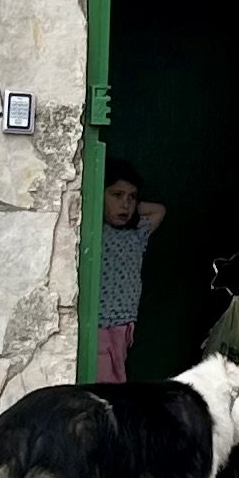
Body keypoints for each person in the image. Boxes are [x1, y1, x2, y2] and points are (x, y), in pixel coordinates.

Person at [96, 160, 167, 383]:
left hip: (124, 324)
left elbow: (159, 210)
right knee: (104, 381)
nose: (125, 204)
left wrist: (131, 207)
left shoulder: (137, 234)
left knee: (117, 375)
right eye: (116, 195)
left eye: (131, 197)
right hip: (98, 323)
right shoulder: (94, 230)